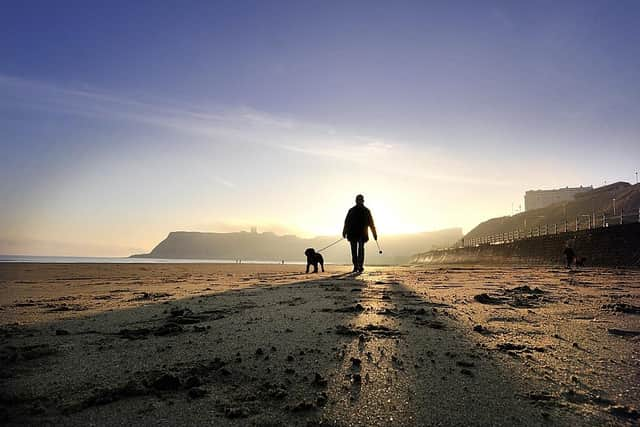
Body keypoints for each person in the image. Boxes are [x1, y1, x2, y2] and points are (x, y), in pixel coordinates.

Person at [343, 194, 377, 273]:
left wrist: (374, 234)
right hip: (353, 233)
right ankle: (356, 266)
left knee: (360, 250)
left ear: (362, 201)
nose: (359, 201)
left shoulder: (365, 211)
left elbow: (371, 223)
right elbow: (346, 222)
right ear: (357, 201)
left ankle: (359, 266)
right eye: (358, 200)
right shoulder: (352, 210)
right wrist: (344, 231)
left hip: (361, 233)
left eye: (360, 200)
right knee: (355, 251)